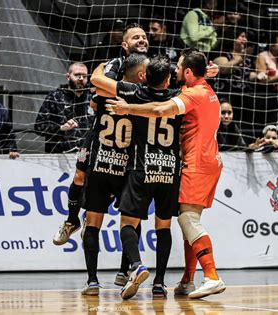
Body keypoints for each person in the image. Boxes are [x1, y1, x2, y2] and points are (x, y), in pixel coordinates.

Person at [107, 48, 225, 299]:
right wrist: (211, 71)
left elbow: (161, 110)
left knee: (188, 221)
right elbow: (179, 83)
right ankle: (187, 281)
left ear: (189, 72)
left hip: (196, 163)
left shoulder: (192, 94)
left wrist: (127, 108)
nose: (176, 70)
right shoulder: (203, 89)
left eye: (180, 67)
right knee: (187, 220)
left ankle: (212, 276)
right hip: (206, 161)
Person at [92, 54, 182, 299]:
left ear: (145, 76)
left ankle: (137, 265)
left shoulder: (135, 92)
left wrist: (105, 64)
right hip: (170, 170)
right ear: (167, 79)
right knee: (163, 226)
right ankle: (160, 283)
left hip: (142, 169)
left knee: (127, 224)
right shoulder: (180, 95)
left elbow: (98, 80)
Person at [76, 53, 149, 296]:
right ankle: (131, 267)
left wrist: (101, 66)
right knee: (129, 223)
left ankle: (92, 282)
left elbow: (96, 83)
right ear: (139, 74)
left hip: (101, 164)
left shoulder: (103, 92)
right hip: (127, 166)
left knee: (93, 223)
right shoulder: (141, 95)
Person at [35, 62, 93, 154]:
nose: (81, 78)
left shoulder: (92, 99)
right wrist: (61, 128)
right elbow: (39, 127)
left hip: (85, 155)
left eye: (84, 76)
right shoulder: (54, 97)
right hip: (58, 156)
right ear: (68, 77)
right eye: (77, 75)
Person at [214, 26, 256, 93]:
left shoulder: (247, 58)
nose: (245, 40)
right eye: (242, 37)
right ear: (232, 38)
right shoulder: (222, 53)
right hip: (224, 91)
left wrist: (260, 75)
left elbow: (247, 75)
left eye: (245, 37)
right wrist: (242, 57)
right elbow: (224, 69)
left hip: (244, 92)